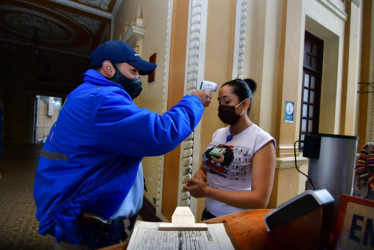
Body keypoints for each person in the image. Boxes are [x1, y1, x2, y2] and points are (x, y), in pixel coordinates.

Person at [33, 40, 212, 249]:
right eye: (134, 71)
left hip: (87, 212)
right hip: (93, 227)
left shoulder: (84, 93)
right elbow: (161, 133)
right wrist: (194, 102)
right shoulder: (101, 99)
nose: (138, 79)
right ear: (109, 68)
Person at [184, 78, 276, 220]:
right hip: (209, 214)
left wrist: (207, 191)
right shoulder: (219, 134)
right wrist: (199, 177)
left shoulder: (262, 141)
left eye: (227, 102)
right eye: (219, 102)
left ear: (245, 104)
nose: (222, 107)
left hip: (238, 219)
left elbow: (259, 200)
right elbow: (205, 168)